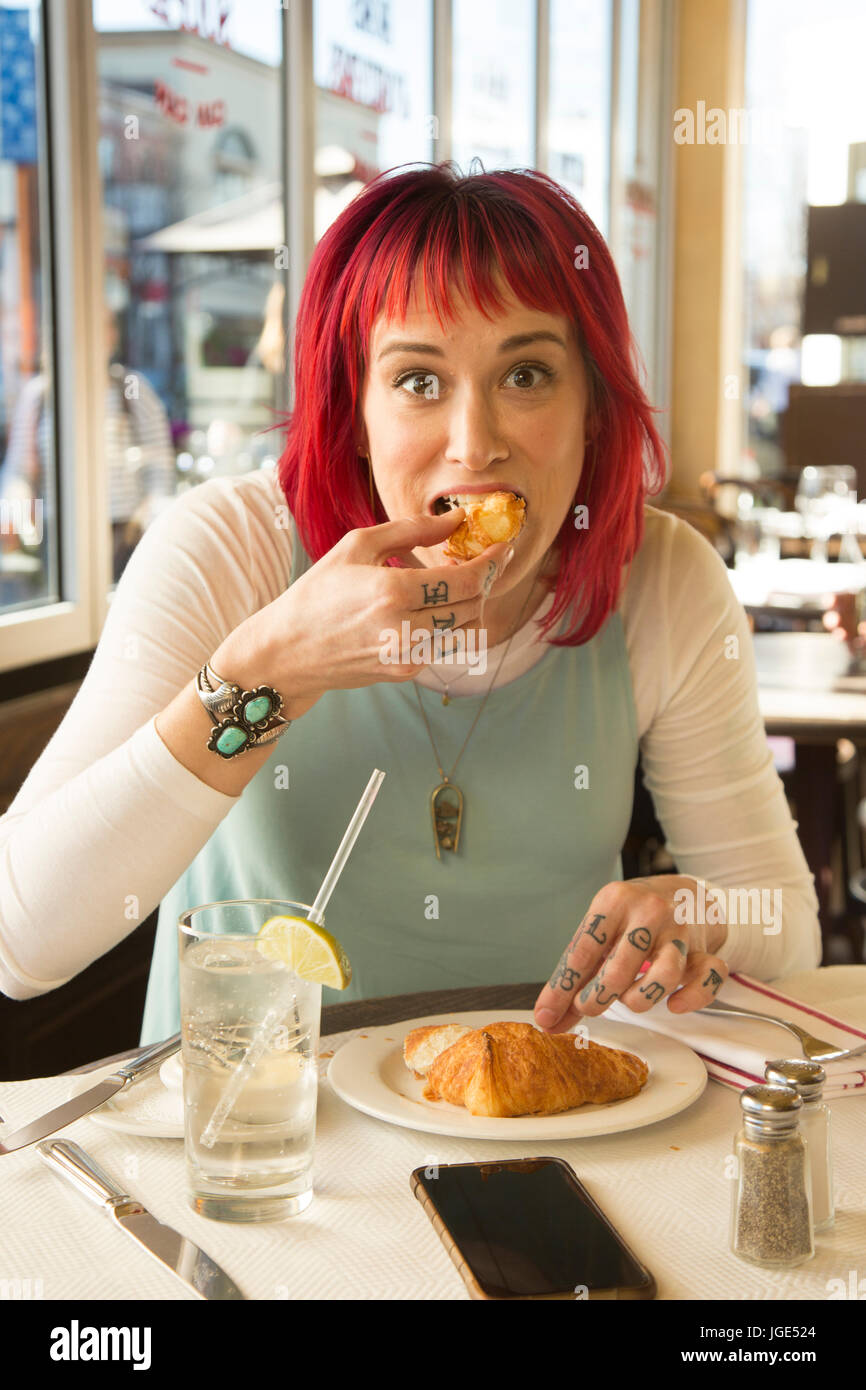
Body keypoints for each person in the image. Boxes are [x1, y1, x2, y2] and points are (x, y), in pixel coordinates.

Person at [0, 164, 820, 1044]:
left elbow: (793, 935)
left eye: (529, 375)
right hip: (260, 1145)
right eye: (419, 382)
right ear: (353, 410)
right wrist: (265, 674)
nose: (475, 445)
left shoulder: (664, 580)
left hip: (551, 1132)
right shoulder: (228, 548)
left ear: (593, 408)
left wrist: (703, 911)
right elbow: (21, 944)